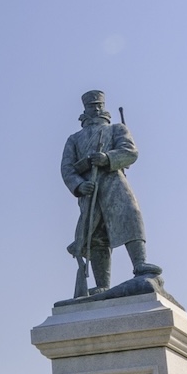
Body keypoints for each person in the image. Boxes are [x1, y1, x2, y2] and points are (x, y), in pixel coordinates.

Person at [61, 90, 161, 295]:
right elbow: (67, 169)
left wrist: (106, 158)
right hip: (90, 190)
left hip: (114, 183)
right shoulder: (74, 139)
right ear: (85, 110)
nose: (96, 109)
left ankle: (140, 263)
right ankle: (101, 284)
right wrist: (79, 186)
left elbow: (130, 152)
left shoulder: (117, 129)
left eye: (99, 105)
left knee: (130, 217)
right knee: (96, 236)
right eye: (92, 106)